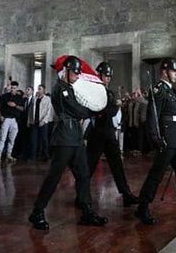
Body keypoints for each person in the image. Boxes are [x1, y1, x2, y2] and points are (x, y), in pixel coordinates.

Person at [29, 56, 108, 230]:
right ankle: (37, 212)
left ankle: (87, 211)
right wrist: (91, 111)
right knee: (54, 177)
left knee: (83, 174)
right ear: (65, 71)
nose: (77, 75)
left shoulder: (70, 88)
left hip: (75, 137)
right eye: (74, 72)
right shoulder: (60, 89)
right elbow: (76, 109)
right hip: (64, 138)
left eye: (79, 72)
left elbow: (79, 109)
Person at [135, 58, 176, 225]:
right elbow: (153, 116)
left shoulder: (171, 91)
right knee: (157, 174)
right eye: (174, 71)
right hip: (166, 139)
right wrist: (156, 138)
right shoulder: (159, 89)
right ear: (164, 71)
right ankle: (142, 206)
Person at [86, 62, 140, 206]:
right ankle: (81, 196)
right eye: (105, 75)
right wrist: (114, 106)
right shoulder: (94, 91)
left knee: (117, 165)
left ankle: (126, 194)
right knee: (89, 166)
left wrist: (114, 106)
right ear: (99, 75)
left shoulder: (108, 92)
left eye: (109, 76)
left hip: (108, 131)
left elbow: (109, 111)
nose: (108, 79)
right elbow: (99, 110)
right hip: (97, 132)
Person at [0, 81, 24, 164]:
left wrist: (15, 105)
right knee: (2, 138)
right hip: (6, 119)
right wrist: (0, 116)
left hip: (15, 120)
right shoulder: (4, 96)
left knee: (12, 138)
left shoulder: (19, 97)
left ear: (17, 88)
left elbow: (22, 109)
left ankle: (9, 154)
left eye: (14, 88)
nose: (12, 89)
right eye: (11, 88)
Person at [27, 84, 53, 162]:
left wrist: (44, 121)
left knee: (44, 140)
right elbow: (30, 111)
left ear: (44, 90)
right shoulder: (35, 99)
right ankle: (33, 157)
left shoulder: (47, 99)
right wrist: (29, 121)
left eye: (40, 89)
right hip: (34, 122)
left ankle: (46, 156)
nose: (39, 90)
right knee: (33, 140)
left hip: (43, 122)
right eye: (38, 89)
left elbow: (49, 111)